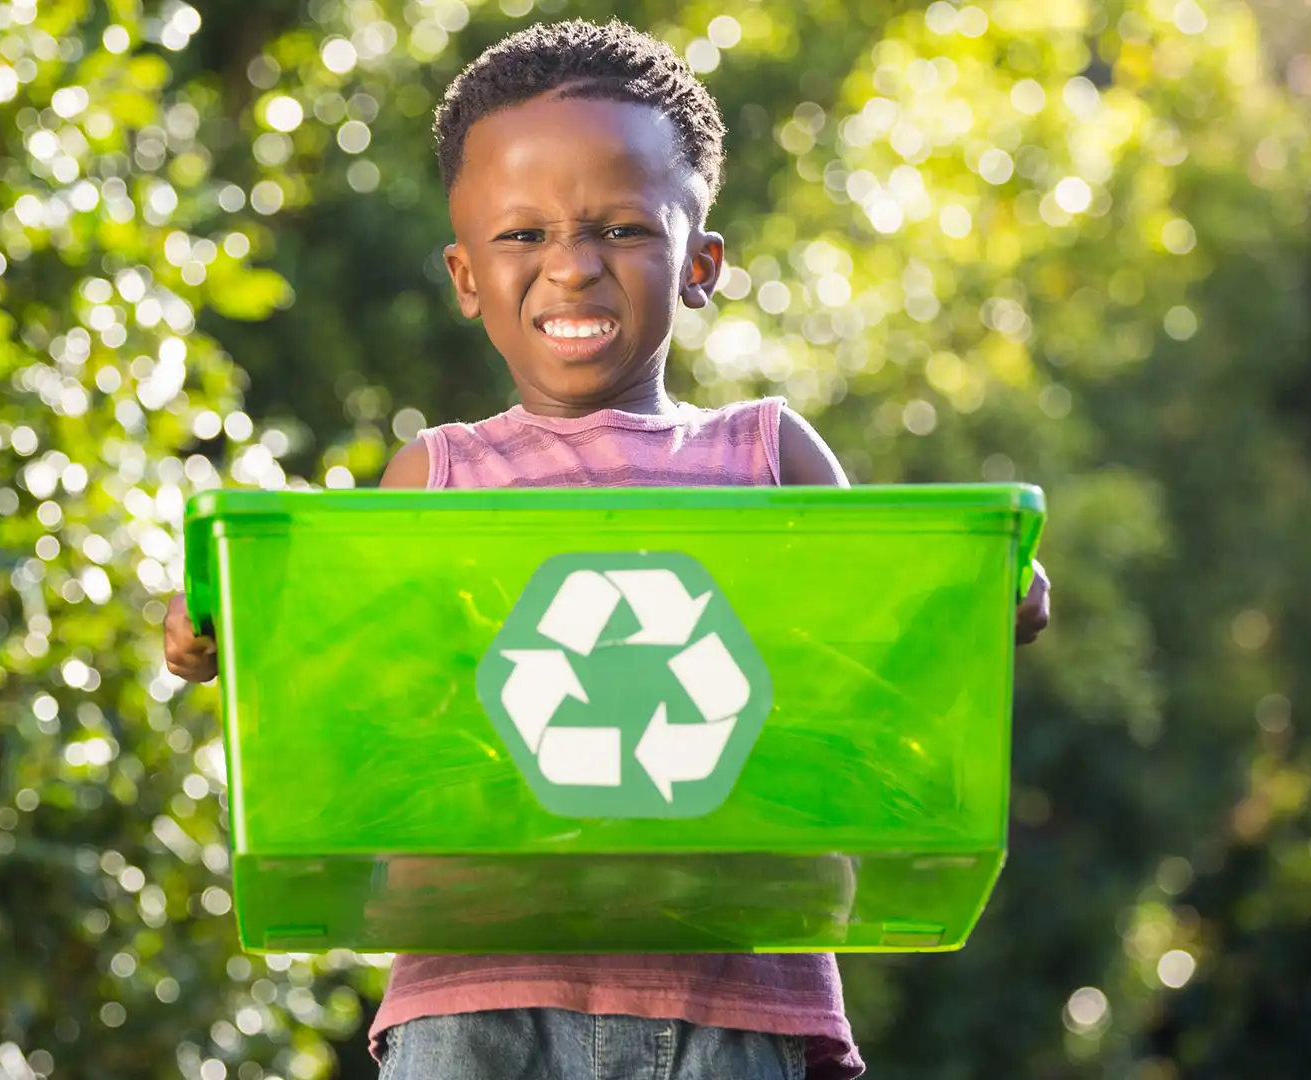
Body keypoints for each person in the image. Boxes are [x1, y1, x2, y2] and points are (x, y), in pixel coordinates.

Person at [165, 18, 1053, 1080]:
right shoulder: (437, 477)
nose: (572, 267)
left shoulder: (767, 455)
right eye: (522, 235)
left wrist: (968, 602)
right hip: (475, 1002)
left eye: (623, 229)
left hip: (734, 997)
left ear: (701, 262)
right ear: (463, 275)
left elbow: (868, 684)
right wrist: (236, 630)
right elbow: (362, 700)